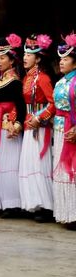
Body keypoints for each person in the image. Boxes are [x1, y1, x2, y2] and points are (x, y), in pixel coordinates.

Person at [0, 35, 26, 218]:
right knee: (0, 164)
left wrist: (16, 123)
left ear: (11, 60)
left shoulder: (15, 81)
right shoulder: (0, 79)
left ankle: (13, 203)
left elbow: (20, 105)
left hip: (8, 125)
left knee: (10, 164)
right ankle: (2, 201)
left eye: (2, 58)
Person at [20, 34, 55, 222]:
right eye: (24, 54)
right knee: (30, 164)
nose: (25, 57)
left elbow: (53, 103)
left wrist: (40, 119)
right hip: (28, 123)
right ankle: (34, 203)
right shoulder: (27, 78)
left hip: (39, 127)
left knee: (40, 165)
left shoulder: (42, 78)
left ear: (38, 58)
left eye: (29, 54)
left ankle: (46, 205)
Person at [53, 34, 76, 229]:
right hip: (60, 128)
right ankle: (65, 213)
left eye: (66, 59)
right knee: (62, 171)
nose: (62, 62)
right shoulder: (61, 82)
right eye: (60, 59)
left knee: (73, 171)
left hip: (72, 128)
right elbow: (53, 106)